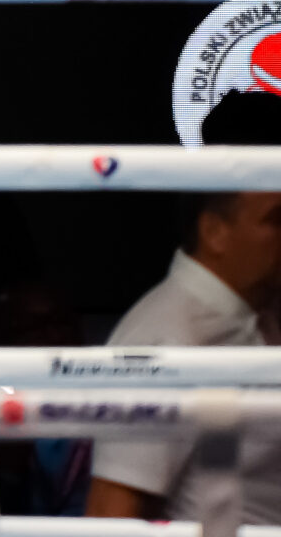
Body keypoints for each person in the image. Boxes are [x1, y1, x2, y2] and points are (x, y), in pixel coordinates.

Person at [86, 91, 281, 522]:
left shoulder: (261, 313)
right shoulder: (164, 341)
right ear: (214, 231)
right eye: (276, 219)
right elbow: (111, 515)